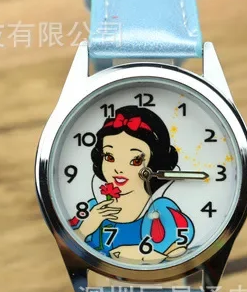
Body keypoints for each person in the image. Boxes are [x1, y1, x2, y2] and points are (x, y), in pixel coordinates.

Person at [68, 105, 195, 264]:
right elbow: (68, 242)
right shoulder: (92, 209)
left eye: (136, 160)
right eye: (109, 157)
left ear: (154, 164)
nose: (119, 169)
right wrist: (86, 227)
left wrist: (144, 254)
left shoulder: (161, 209)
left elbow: (178, 249)